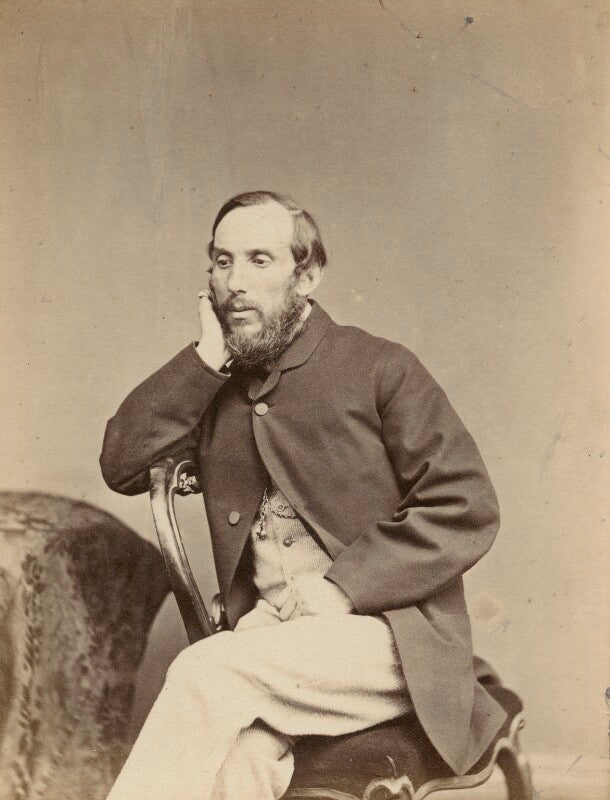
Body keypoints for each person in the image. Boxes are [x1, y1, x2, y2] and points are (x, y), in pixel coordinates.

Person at [100, 191, 506, 800]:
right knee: (238, 757)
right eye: (222, 261)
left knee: (206, 670)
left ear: (307, 275)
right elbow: (123, 464)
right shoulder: (214, 385)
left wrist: (343, 587)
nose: (235, 283)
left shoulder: (380, 366)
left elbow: (465, 504)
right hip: (275, 643)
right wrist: (205, 358)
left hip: (390, 639)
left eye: (259, 260)